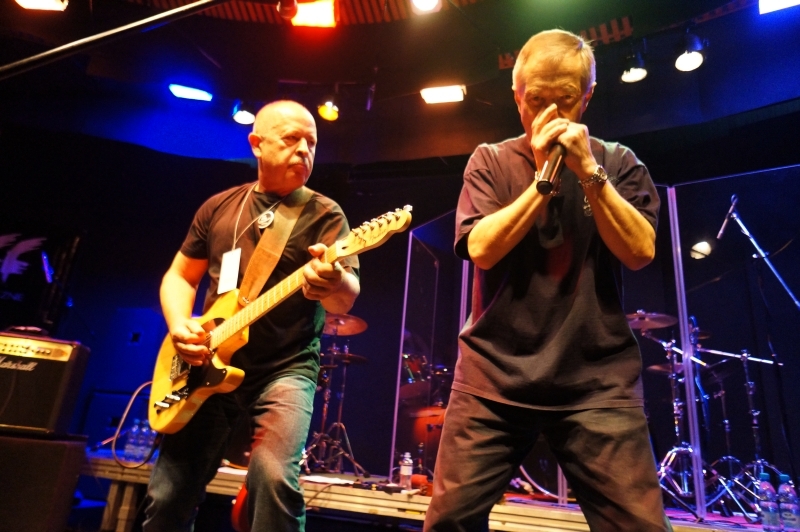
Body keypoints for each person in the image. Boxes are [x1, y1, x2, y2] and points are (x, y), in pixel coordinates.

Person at [423, 29, 672, 532]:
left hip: (596, 383)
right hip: (494, 379)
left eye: (566, 99)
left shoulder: (619, 162)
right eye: (536, 100)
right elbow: (482, 250)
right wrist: (543, 181)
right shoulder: (490, 161)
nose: (550, 114)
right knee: (449, 523)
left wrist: (588, 171)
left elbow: (640, 251)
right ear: (517, 94)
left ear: (588, 96)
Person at [144, 100, 360, 532]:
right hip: (207, 364)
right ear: (256, 144)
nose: (304, 150)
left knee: (273, 479)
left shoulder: (325, 214)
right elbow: (179, 277)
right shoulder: (219, 207)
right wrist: (180, 324)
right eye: (292, 139)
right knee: (167, 497)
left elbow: (345, 301)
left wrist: (333, 281)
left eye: (312, 142)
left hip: (286, 366)